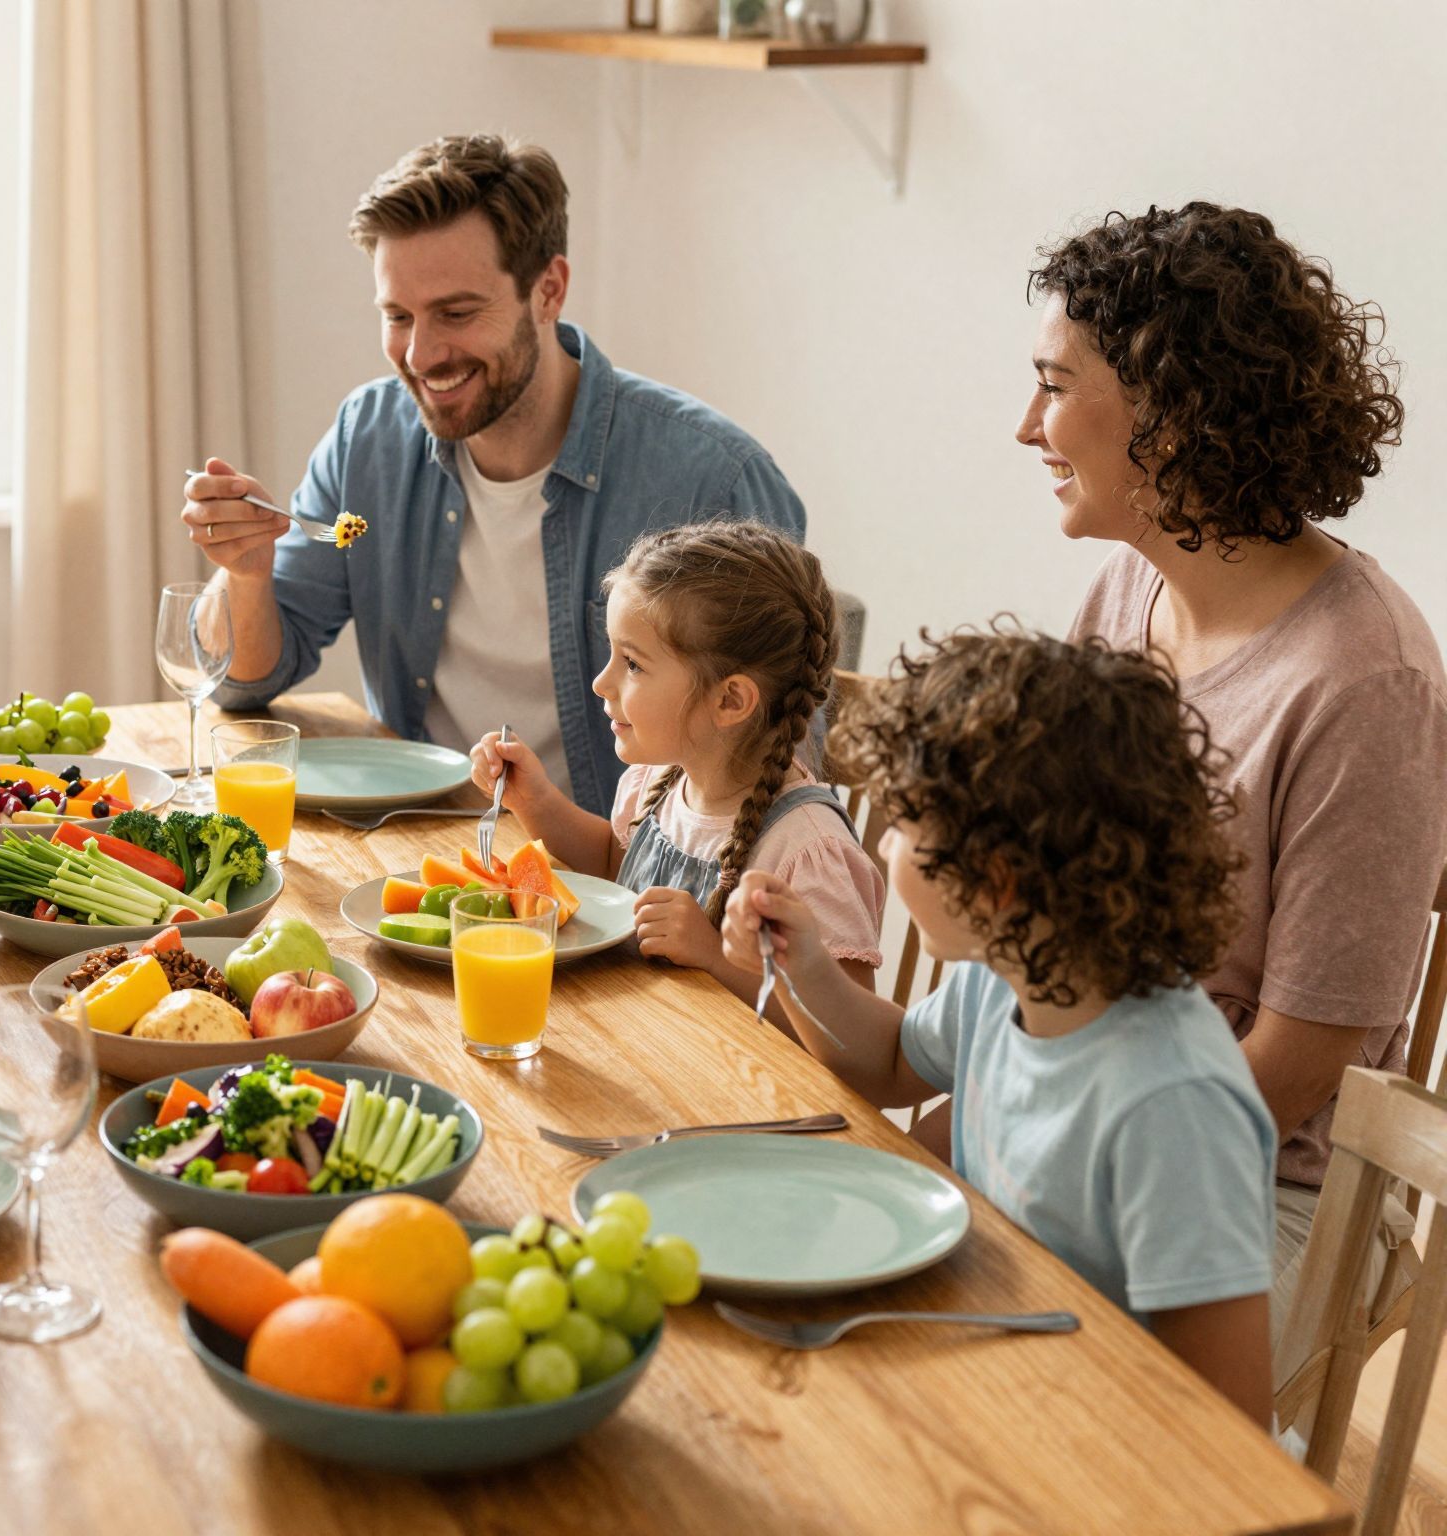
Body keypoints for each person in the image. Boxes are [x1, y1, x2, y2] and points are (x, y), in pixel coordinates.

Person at [1018, 202, 1447, 1336]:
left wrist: (1060, 1138)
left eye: (1054, 385)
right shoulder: (1121, 592)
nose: (1026, 425)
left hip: (1263, 1182)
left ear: (1169, 408)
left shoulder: (1364, 682)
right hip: (1092, 1115)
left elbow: (1296, 1063)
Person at [724, 627, 1275, 1424]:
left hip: (1098, 1437)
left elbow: (1227, 1421)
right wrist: (809, 962)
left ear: (999, 883)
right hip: (985, 1377)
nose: (885, 844)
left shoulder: (1173, 1103)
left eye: (908, 828)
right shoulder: (1004, 980)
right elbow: (885, 1062)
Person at [184, 134, 806, 815]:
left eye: (456, 313)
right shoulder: (370, 437)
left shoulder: (711, 483)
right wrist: (244, 573)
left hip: (612, 890)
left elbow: (779, 775)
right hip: (413, 848)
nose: (421, 354)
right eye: (398, 317)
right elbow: (247, 681)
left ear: (549, 290)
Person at [471, 522, 880, 1006]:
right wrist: (534, 799)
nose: (602, 683)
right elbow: (612, 864)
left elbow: (849, 1033)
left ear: (730, 700)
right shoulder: (657, 782)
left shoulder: (807, 851)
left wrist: (715, 957)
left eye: (633, 664)